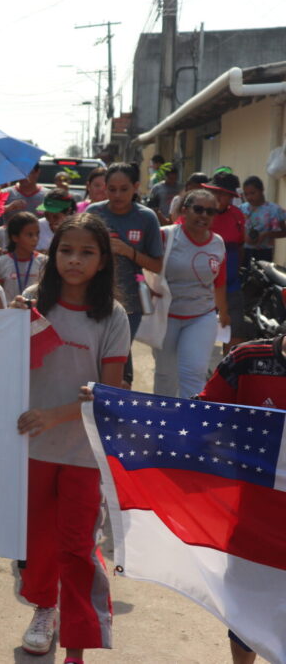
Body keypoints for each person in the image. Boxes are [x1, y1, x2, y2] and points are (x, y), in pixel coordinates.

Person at [13, 212, 129, 663]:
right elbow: (3, 366)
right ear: (52, 254)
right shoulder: (29, 303)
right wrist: (4, 320)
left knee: (78, 548)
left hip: (84, 454)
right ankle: (45, 610)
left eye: (86, 252)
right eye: (66, 250)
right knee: (37, 542)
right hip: (31, 448)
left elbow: (109, 395)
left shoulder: (113, 316)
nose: (74, 260)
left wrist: (56, 415)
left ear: (102, 262)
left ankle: (77, 646)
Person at [195, 334, 286, 664]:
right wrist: (109, 406)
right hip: (253, 524)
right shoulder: (246, 360)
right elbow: (200, 414)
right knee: (245, 613)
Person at [86, 163, 163, 386]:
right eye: (112, 189)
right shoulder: (93, 213)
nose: (117, 195)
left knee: (118, 353)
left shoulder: (146, 217)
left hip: (131, 302)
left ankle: (120, 397)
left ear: (136, 187)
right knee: (95, 353)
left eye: (124, 189)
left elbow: (157, 265)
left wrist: (129, 252)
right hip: (94, 296)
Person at [152, 189, 229, 398]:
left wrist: (223, 312)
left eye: (210, 212)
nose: (204, 215)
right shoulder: (164, 236)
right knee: (166, 374)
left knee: (194, 373)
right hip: (166, 317)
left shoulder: (218, 243)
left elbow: (219, 282)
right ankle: (163, 415)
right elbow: (144, 269)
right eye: (198, 209)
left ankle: (190, 416)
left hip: (201, 317)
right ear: (185, 210)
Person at [202, 172, 247, 350]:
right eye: (214, 192)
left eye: (223, 193)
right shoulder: (200, 215)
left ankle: (229, 364)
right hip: (203, 285)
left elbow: (240, 246)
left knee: (235, 331)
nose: (218, 197)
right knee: (201, 332)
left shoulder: (237, 215)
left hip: (231, 285)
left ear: (231, 197)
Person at [0, 212, 45, 303]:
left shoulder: (44, 261)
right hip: (9, 311)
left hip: (35, 310)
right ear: (15, 238)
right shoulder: (0, 263)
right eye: (30, 235)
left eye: (37, 234)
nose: (35, 239)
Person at [241, 175, 286, 268]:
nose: (249, 197)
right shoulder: (242, 209)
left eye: (252, 193)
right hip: (243, 251)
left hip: (264, 253)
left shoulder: (274, 209)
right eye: (246, 194)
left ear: (261, 190)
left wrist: (266, 234)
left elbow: (284, 232)